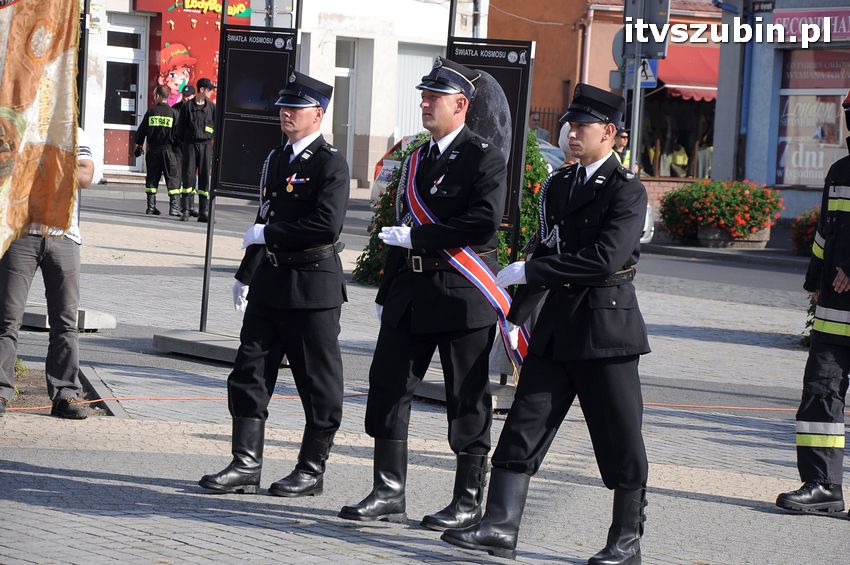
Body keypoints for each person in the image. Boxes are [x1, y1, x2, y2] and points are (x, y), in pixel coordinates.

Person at [441, 83, 651, 564]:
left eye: (583, 127)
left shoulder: (626, 189)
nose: (572, 133)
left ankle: (626, 540)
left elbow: (604, 258)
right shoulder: (560, 183)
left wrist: (533, 271)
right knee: (523, 424)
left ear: (611, 133)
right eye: (570, 125)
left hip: (605, 329)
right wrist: (514, 314)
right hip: (557, 327)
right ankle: (499, 526)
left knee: (619, 435)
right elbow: (545, 246)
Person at [338, 57, 507, 531]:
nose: (424, 103)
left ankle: (469, 501)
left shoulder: (484, 156)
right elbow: (398, 229)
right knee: (388, 389)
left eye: (434, 97)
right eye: (424, 95)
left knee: (466, 398)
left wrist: (420, 240)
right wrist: (386, 288)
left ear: (461, 104)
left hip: (460, 292)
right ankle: (389, 491)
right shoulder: (417, 158)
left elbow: (482, 223)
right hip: (410, 292)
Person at [198, 71, 349, 498]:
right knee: (249, 372)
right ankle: (246, 464)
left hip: (312, 286)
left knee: (317, 384)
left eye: (296, 107)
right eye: (283, 105)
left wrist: (270, 234)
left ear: (317, 114)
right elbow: (264, 219)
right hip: (271, 282)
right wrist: (246, 274)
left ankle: (311, 469)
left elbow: (326, 224)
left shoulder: (329, 162)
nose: (286, 112)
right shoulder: (277, 159)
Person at [776, 90, 850, 518]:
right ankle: (823, 486)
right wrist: (814, 279)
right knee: (820, 397)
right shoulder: (840, 171)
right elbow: (827, 231)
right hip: (834, 313)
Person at [0, 127, 96, 418]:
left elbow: (85, 176)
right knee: (6, 320)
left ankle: (65, 394)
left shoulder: (74, 131)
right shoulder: (15, 127)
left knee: (66, 322)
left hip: (64, 236)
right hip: (20, 235)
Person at [134, 85, 181, 217]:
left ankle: (151, 207)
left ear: (159, 96)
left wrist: (139, 145)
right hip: (168, 151)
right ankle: (174, 208)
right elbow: (178, 135)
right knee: (172, 178)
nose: (154, 98)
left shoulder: (151, 112)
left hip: (153, 150)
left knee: (152, 179)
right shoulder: (174, 114)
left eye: (155, 95)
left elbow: (141, 131)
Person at [178, 77, 216, 223]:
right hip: (190, 146)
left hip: (206, 146)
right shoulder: (187, 107)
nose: (211, 92)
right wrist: (186, 143)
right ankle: (186, 210)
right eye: (209, 90)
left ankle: (203, 212)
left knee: (205, 178)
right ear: (202, 90)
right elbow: (180, 128)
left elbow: (216, 128)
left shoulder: (211, 108)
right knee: (188, 177)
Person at [172, 85, 196, 221]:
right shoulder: (175, 108)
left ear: (193, 96)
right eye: (184, 95)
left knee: (191, 177)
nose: (186, 98)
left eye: (188, 96)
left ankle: (190, 206)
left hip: (191, 148)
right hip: (179, 148)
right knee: (179, 177)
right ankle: (181, 207)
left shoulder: (195, 110)